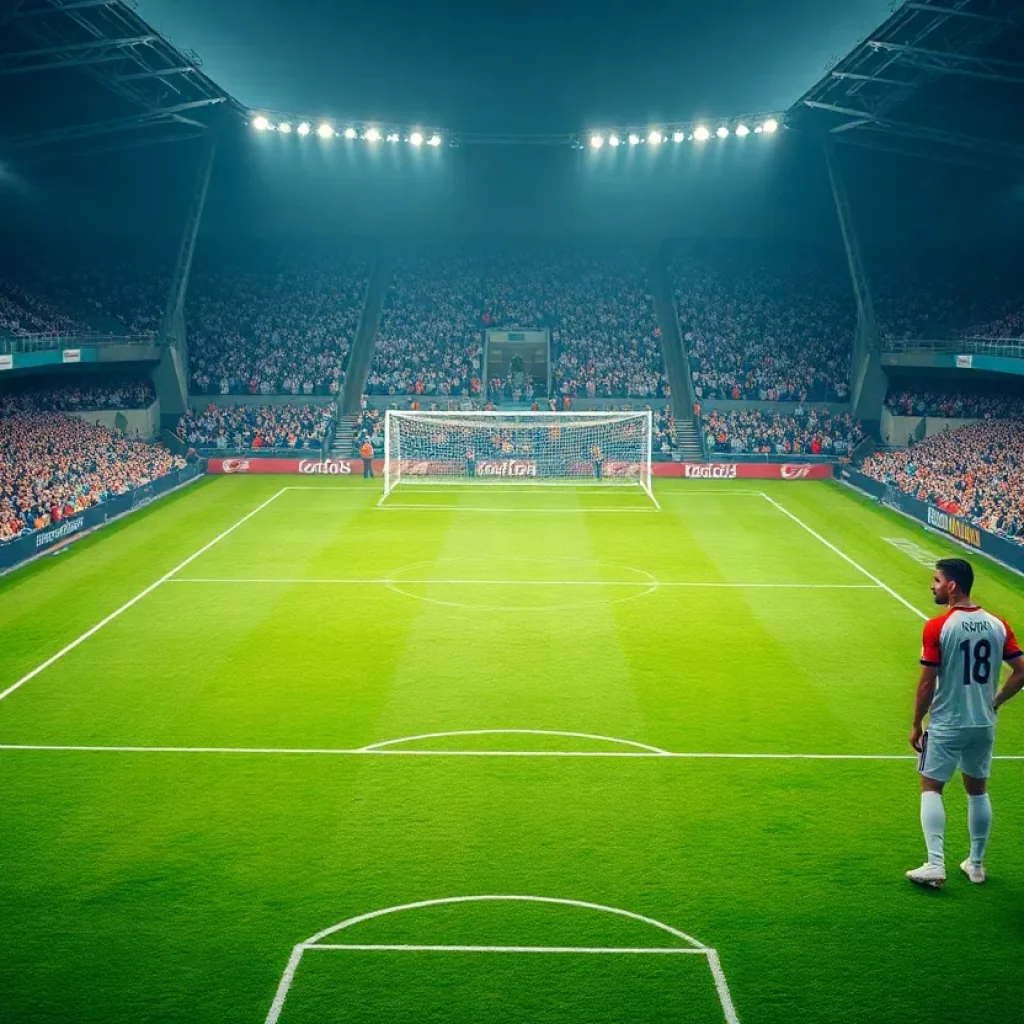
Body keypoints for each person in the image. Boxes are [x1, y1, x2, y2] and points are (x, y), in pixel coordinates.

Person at [906, 558, 1024, 889]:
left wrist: (916, 723)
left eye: (937, 580)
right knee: (977, 790)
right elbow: (1021, 671)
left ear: (952, 586)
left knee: (931, 786)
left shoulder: (938, 627)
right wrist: (995, 702)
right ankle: (976, 864)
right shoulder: (998, 624)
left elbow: (927, 683)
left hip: (948, 721)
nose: (932, 586)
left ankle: (935, 864)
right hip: (983, 723)